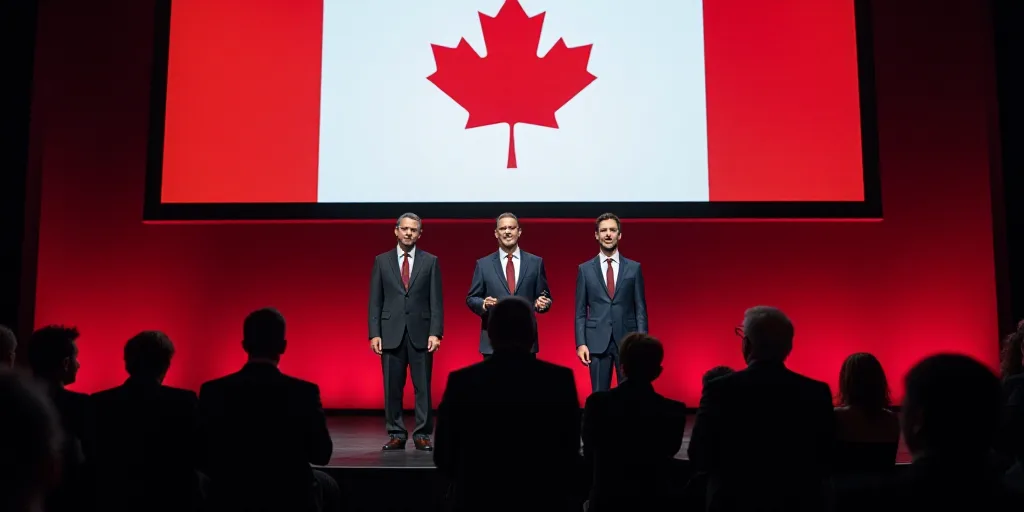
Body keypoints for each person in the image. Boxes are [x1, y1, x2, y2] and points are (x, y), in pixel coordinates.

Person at [434, 297, 580, 511]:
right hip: (543, 499)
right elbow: (569, 452)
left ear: (490, 334)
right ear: (532, 334)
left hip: (477, 498)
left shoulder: (462, 382)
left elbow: (444, 456)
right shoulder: (559, 381)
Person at [687, 306, 834, 512]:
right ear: (788, 346)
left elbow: (700, 454)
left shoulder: (719, 390)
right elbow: (826, 456)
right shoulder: (816, 392)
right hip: (799, 502)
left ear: (747, 344)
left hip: (733, 502)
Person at [198, 308, 338, 512]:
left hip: (230, 497)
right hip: (290, 497)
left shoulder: (213, 391)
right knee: (328, 486)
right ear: (283, 346)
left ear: (245, 345)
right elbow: (321, 454)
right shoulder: (303, 392)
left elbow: (202, 453)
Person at [90, 331, 203, 511]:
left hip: (114, 500)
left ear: (128, 362)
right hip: (171, 500)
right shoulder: (185, 402)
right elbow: (196, 452)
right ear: (166, 364)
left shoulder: (99, 402)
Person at [581, 332, 687, 511]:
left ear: (622, 367)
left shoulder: (597, 404)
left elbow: (589, 451)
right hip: (653, 501)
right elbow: (670, 451)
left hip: (607, 501)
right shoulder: (673, 410)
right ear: (658, 371)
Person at [368, 212, 443, 451]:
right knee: (392, 387)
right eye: (405, 229)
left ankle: (422, 434)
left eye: (413, 230)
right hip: (390, 332)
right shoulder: (382, 261)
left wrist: (436, 332)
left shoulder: (430, 261)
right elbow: (375, 301)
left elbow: (436, 301)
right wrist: (374, 333)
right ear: (396, 230)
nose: (409, 233)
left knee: (423, 387)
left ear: (420, 234)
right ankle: (396, 433)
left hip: (421, 332)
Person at [574, 213, 648, 392]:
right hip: (597, 341)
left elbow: (640, 309)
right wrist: (581, 343)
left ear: (620, 235)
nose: (608, 234)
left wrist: (643, 342)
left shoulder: (634, 268)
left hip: (628, 342)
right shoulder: (584, 270)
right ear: (596, 235)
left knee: (631, 396)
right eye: (603, 230)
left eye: (612, 230)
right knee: (599, 397)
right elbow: (580, 311)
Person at [466, 212, 552, 358]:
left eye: (511, 228)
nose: (507, 232)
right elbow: (472, 298)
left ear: (519, 232)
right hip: (493, 343)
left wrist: (543, 303)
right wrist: (484, 304)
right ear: (496, 233)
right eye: (502, 228)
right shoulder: (483, 264)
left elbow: (544, 296)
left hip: (526, 341)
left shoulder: (535, 263)